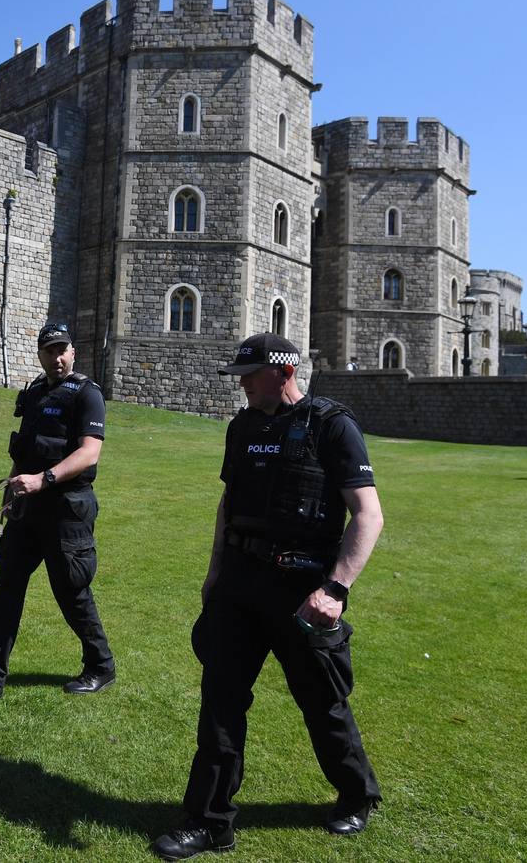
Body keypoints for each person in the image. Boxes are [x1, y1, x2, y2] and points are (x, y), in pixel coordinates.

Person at [152, 333, 384, 859]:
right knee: (220, 702)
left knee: (321, 701)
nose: (241, 385)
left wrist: (335, 589)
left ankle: (356, 794)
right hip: (239, 581)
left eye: (249, 375)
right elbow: (228, 500)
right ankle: (208, 821)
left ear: (283, 372)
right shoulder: (243, 427)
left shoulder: (331, 426)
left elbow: (368, 514)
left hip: (302, 590)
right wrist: (214, 575)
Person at [0, 322, 116, 700]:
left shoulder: (87, 394)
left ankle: (101, 665)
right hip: (28, 508)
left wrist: (44, 479)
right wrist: (12, 490)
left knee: (72, 592)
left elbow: (89, 452)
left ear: (73, 352)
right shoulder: (35, 392)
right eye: (49, 351)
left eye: (62, 349)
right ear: (39, 354)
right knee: (7, 587)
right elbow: (23, 451)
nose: (57, 357)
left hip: (67, 508)